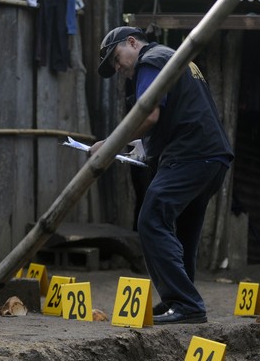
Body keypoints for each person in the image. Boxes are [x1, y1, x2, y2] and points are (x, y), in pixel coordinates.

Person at [91, 27, 234, 324]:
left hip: (190, 155)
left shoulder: (150, 60)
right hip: (211, 157)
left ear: (132, 42)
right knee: (184, 232)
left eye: (117, 60)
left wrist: (110, 143)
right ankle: (180, 301)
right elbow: (176, 114)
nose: (119, 70)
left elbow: (150, 114)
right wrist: (141, 147)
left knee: (152, 219)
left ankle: (185, 302)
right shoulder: (173, 57)